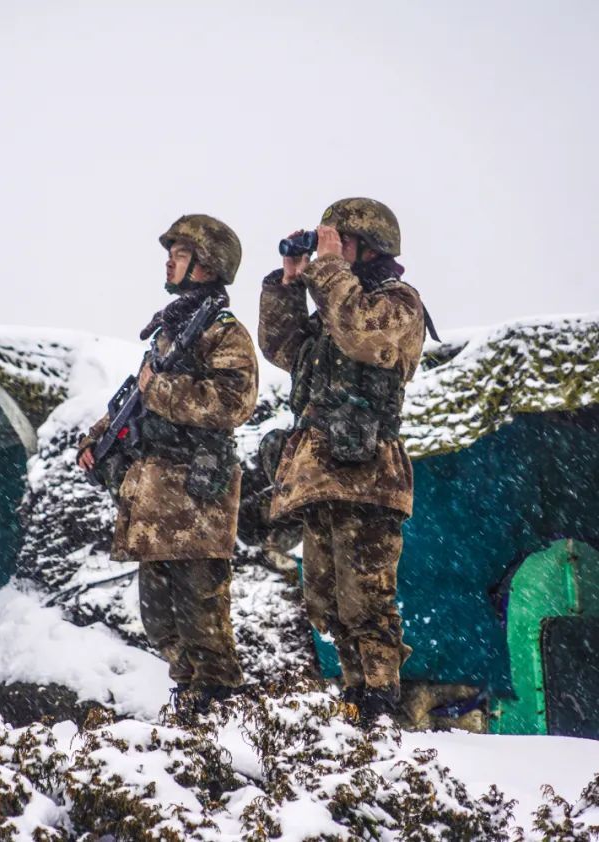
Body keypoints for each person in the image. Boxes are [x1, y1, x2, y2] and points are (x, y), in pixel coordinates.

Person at [77, 214, 258, 705]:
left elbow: (234, 403)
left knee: (204, 622)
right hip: (156, 498)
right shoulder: (170, 331)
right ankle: (191, 707)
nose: (169, 260)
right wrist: (98, 439)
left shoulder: (224, 332)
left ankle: (221, 714)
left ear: (206, 265)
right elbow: (132, 404)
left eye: (180, 254)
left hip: (197, 497)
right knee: (159, 622)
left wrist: (160, 388)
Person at [258, 198, 427, 724]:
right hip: (321, 475)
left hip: (370, 476)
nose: (328, 250)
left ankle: (378, 704)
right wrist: (288, 283)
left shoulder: (397, 304)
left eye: (339, 241)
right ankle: (355, 700)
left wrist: (328, 270)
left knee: (367, 602)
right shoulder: (330, 311)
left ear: (367, 246)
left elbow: (363, 333)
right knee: (328, 603)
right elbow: (281, 346)